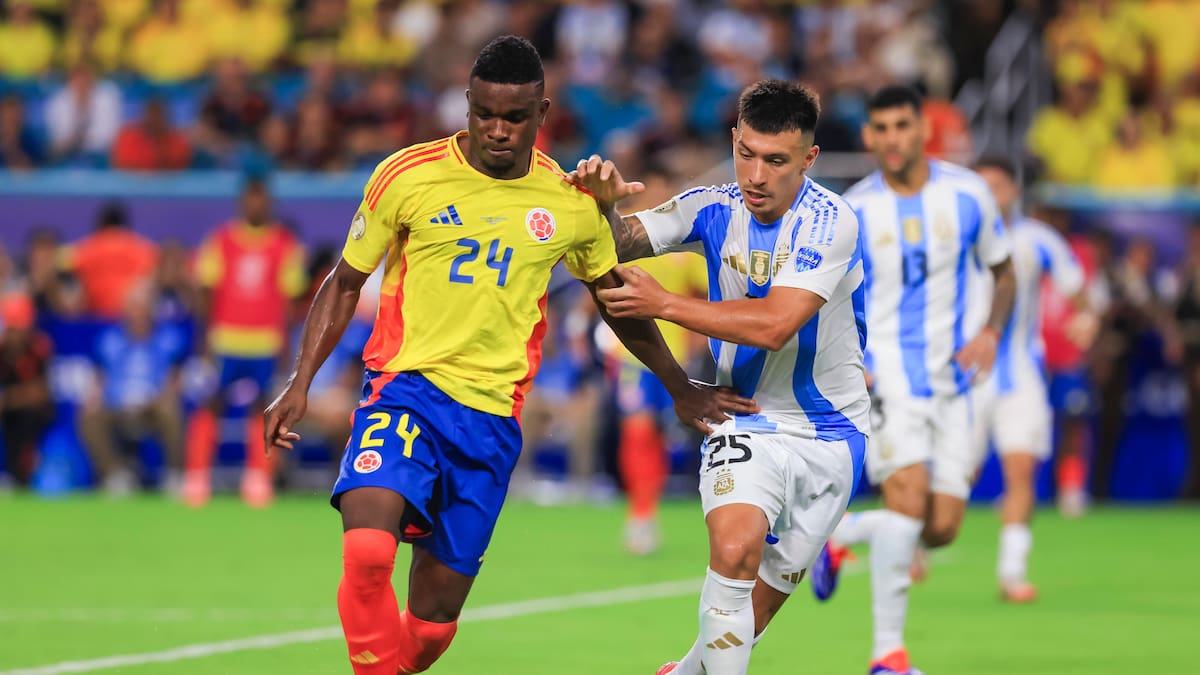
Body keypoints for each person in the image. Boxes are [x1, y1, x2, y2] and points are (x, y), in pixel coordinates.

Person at [262, 36, 752, 675]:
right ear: (465, 105)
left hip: (491, 421)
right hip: (404, 391)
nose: (497, 130)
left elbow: (613, 301)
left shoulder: (570, 202)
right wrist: (300, 382)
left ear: (542, 113)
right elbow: (346, 280)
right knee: (367, 556)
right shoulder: (406, 175)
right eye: (484, 114)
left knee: (431, 631)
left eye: (514, 117)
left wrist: (678, 384)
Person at [571, 78, 870, 675]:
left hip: (834, 433)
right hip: (745, 416)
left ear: (808, 159)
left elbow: (776, 324)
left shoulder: (830, 222)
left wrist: (665, 304)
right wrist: (601, 205)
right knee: (733, 555)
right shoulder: (711, 206)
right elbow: (620, 242)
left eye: (776, 161)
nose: (755, 175)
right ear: (734, 139)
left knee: (747, 622)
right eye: (746, 154)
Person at [810, 85, 1015, 675]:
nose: (892, 138)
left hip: (954, 383)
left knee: (943, 527)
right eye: (881, 128)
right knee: (906, 499)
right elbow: (826, 300)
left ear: (923, 128)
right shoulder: (853, 212)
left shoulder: (970, 195)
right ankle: (887, 656)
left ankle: (842, 532)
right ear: (869, 136)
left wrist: (992, 334)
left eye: (903, 125)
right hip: (888, 379)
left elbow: (1004, 273)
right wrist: (848, 357)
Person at [969, 157, 1096, 602]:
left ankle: (1012, 573)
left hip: (1021, 373)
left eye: (998, 186)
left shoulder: (1038, 240)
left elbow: (1081, 293)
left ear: (1014, 190)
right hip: (963, 376)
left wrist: (1086, 319)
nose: (991, 196)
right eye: (982, 187)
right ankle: (889, 540)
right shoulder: (952, 238)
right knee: (954, 483)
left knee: (1021, 470)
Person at [183, 178, 306, 508]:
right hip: (225, 339)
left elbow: (290, 301)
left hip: (265, 342)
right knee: (211, 404)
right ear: (241, 203)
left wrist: (287, 346)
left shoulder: (285, 245)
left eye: (261, 200)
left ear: (268, 204)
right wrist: (203, 339)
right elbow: (206, 292)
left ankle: (258, 477)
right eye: (250, 199)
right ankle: (196, 477)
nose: (255, 206)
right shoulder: (221, 241)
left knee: (264, 409)